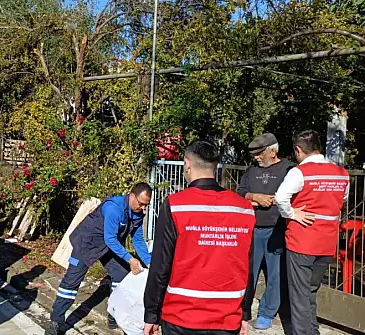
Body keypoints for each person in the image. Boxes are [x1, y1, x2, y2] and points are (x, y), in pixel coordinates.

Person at [144, 141, 255, 335]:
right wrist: (244, 313)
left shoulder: (176, 205)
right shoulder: (243, 208)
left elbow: (161, 265)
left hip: (181, 315)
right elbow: (248, 265)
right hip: (227, 317)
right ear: (217, 166)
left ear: (187, 163)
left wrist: (151, 313)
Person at [46, 183, 153, 335]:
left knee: (121, 277)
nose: (143, 208)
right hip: (87, 243)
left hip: (109, 248)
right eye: (141, 204)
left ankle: (115, 314)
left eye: (146, 205)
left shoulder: (137, 213)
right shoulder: (113, 208)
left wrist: (149, 262)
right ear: (132, 196)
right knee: (71, 283)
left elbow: (138, 240)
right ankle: (56, 322)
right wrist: (130, 259)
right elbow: (110, 239)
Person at [274, 130, 349, 335]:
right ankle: (312, 330)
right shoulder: (341, 173)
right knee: (311, 291)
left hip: (302, 240)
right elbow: (341, 201)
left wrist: (292, 213)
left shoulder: (299, 172)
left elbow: (280, 198)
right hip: (327, 242)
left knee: (299, 295)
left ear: (298, 150)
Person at [237, 133, 295, 330]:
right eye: (254, 154)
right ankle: (243, 311)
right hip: (252, 229)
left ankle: (267, 312)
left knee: (275, 274)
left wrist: (259, 201)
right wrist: (255, 197)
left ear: (273, 150)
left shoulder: (289, 169)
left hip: (277, 229)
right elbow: (240, 192)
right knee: (248, 273)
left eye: (260, 153)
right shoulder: (251, 171)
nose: (256, 157)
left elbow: (291, 196)